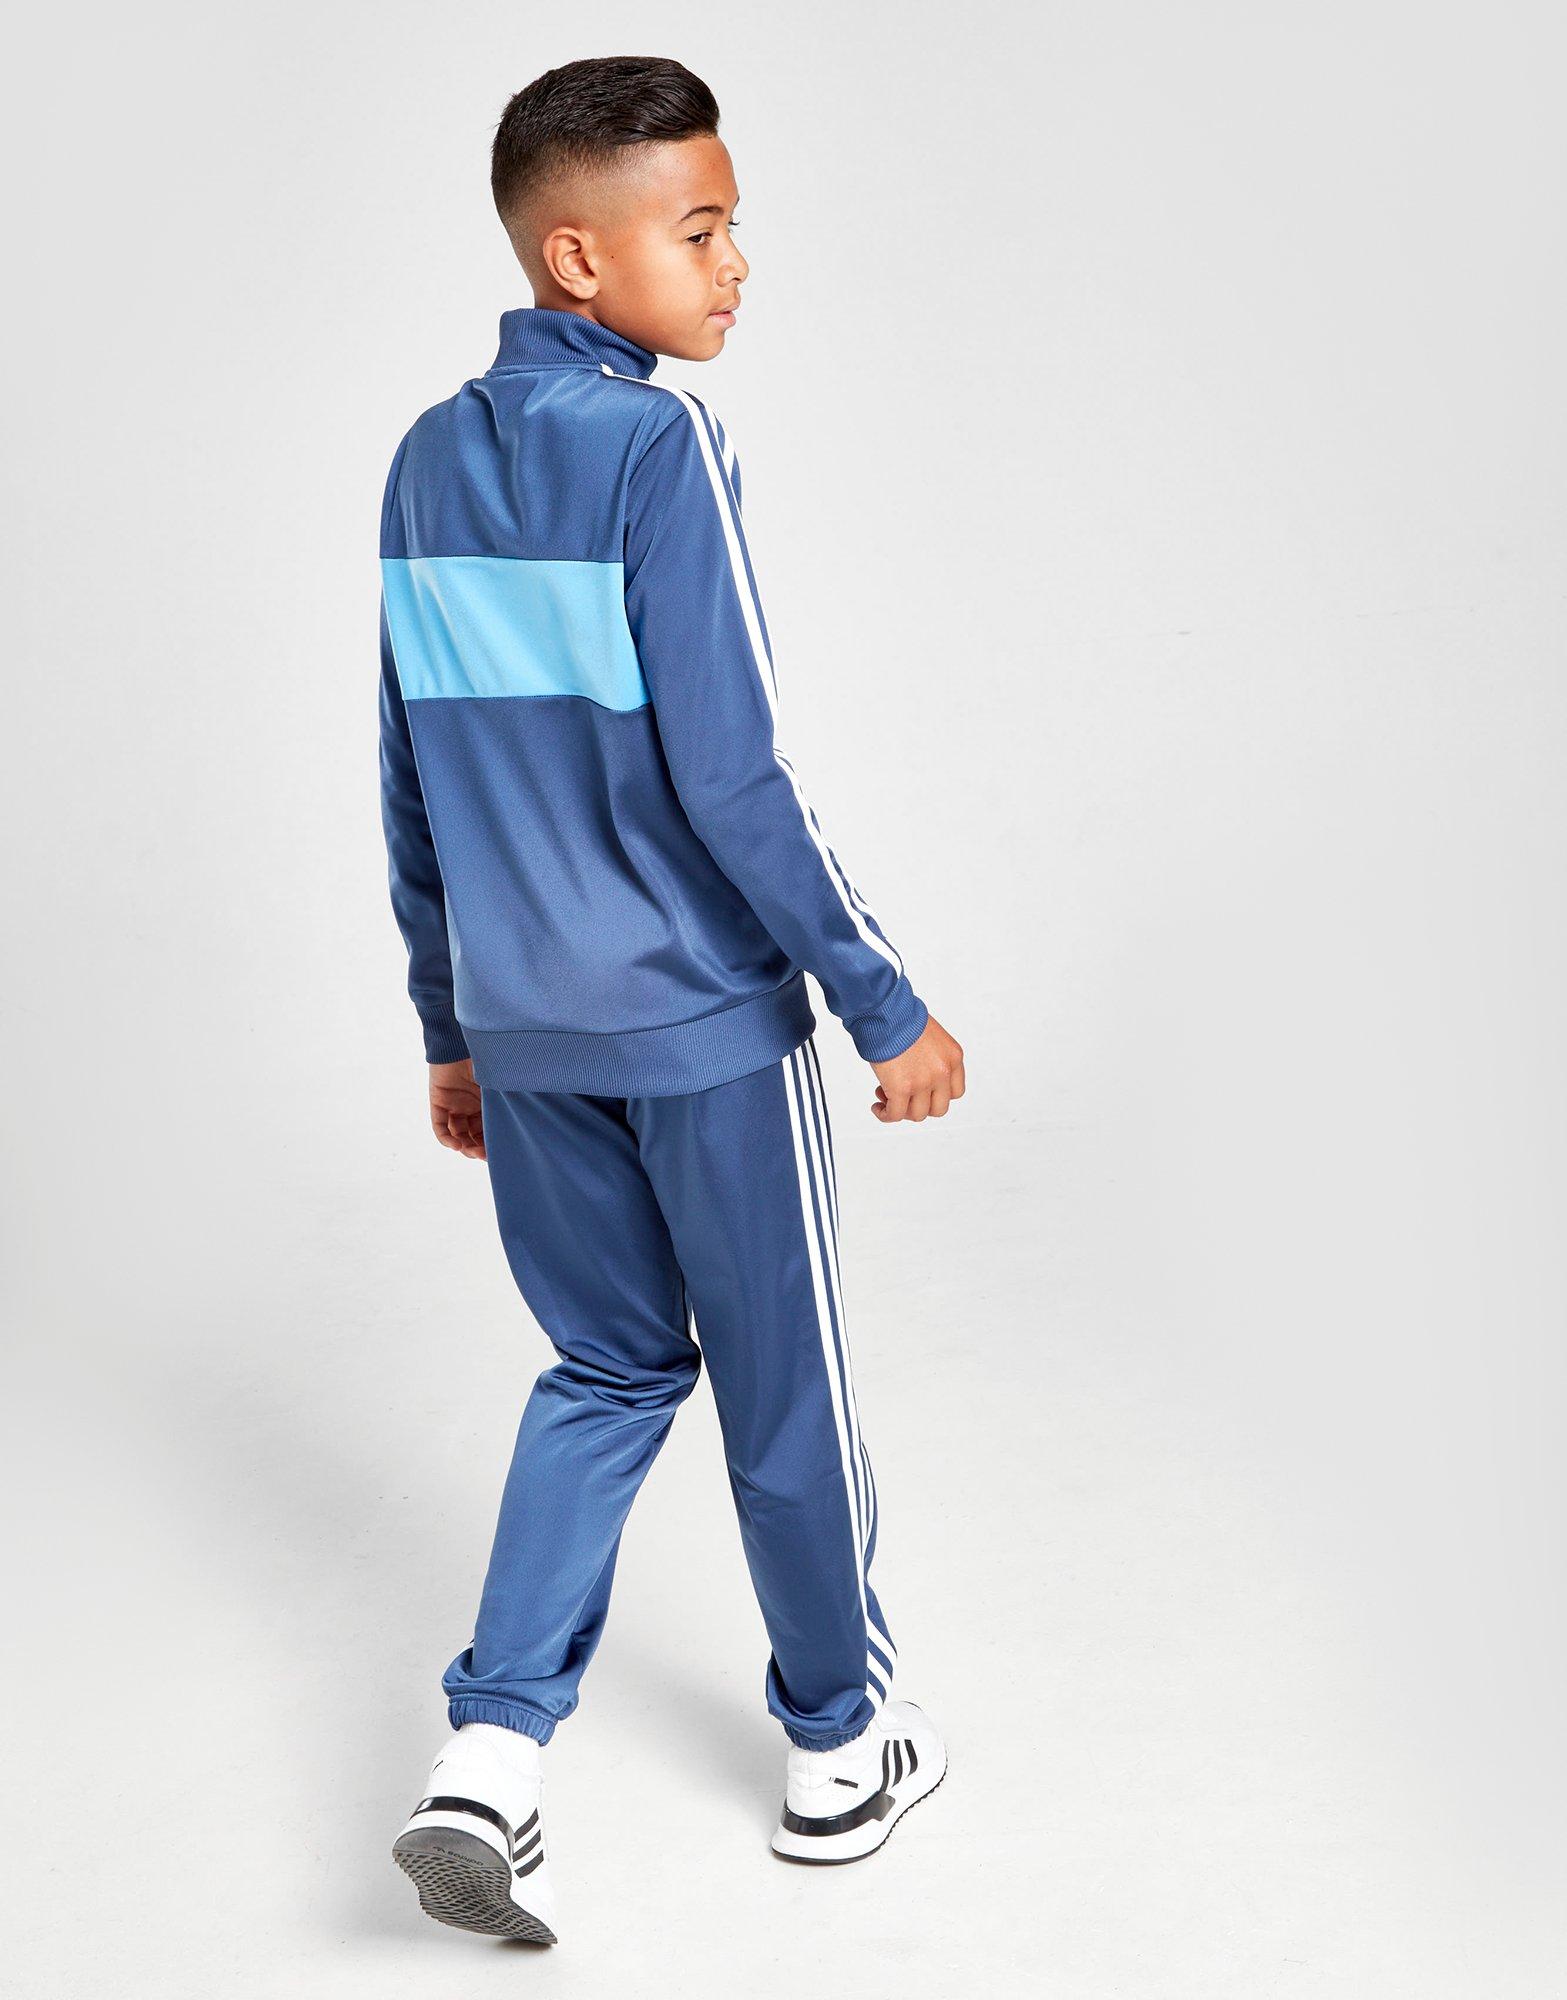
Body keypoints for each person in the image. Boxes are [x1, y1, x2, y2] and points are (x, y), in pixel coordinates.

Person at [378, 55, 965, 1945]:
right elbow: (737, 776)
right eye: (699, 231)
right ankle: (839, 1748)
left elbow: (410, 770)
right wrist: (881, 1000)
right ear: (578, 257)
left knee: (611, 1366)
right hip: (703, 1024)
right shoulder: (661, 447)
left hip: (527, 1030)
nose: (735, 266)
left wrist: (449, 1024)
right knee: (781, 1379)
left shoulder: (422, 459)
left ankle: (488, 1758)